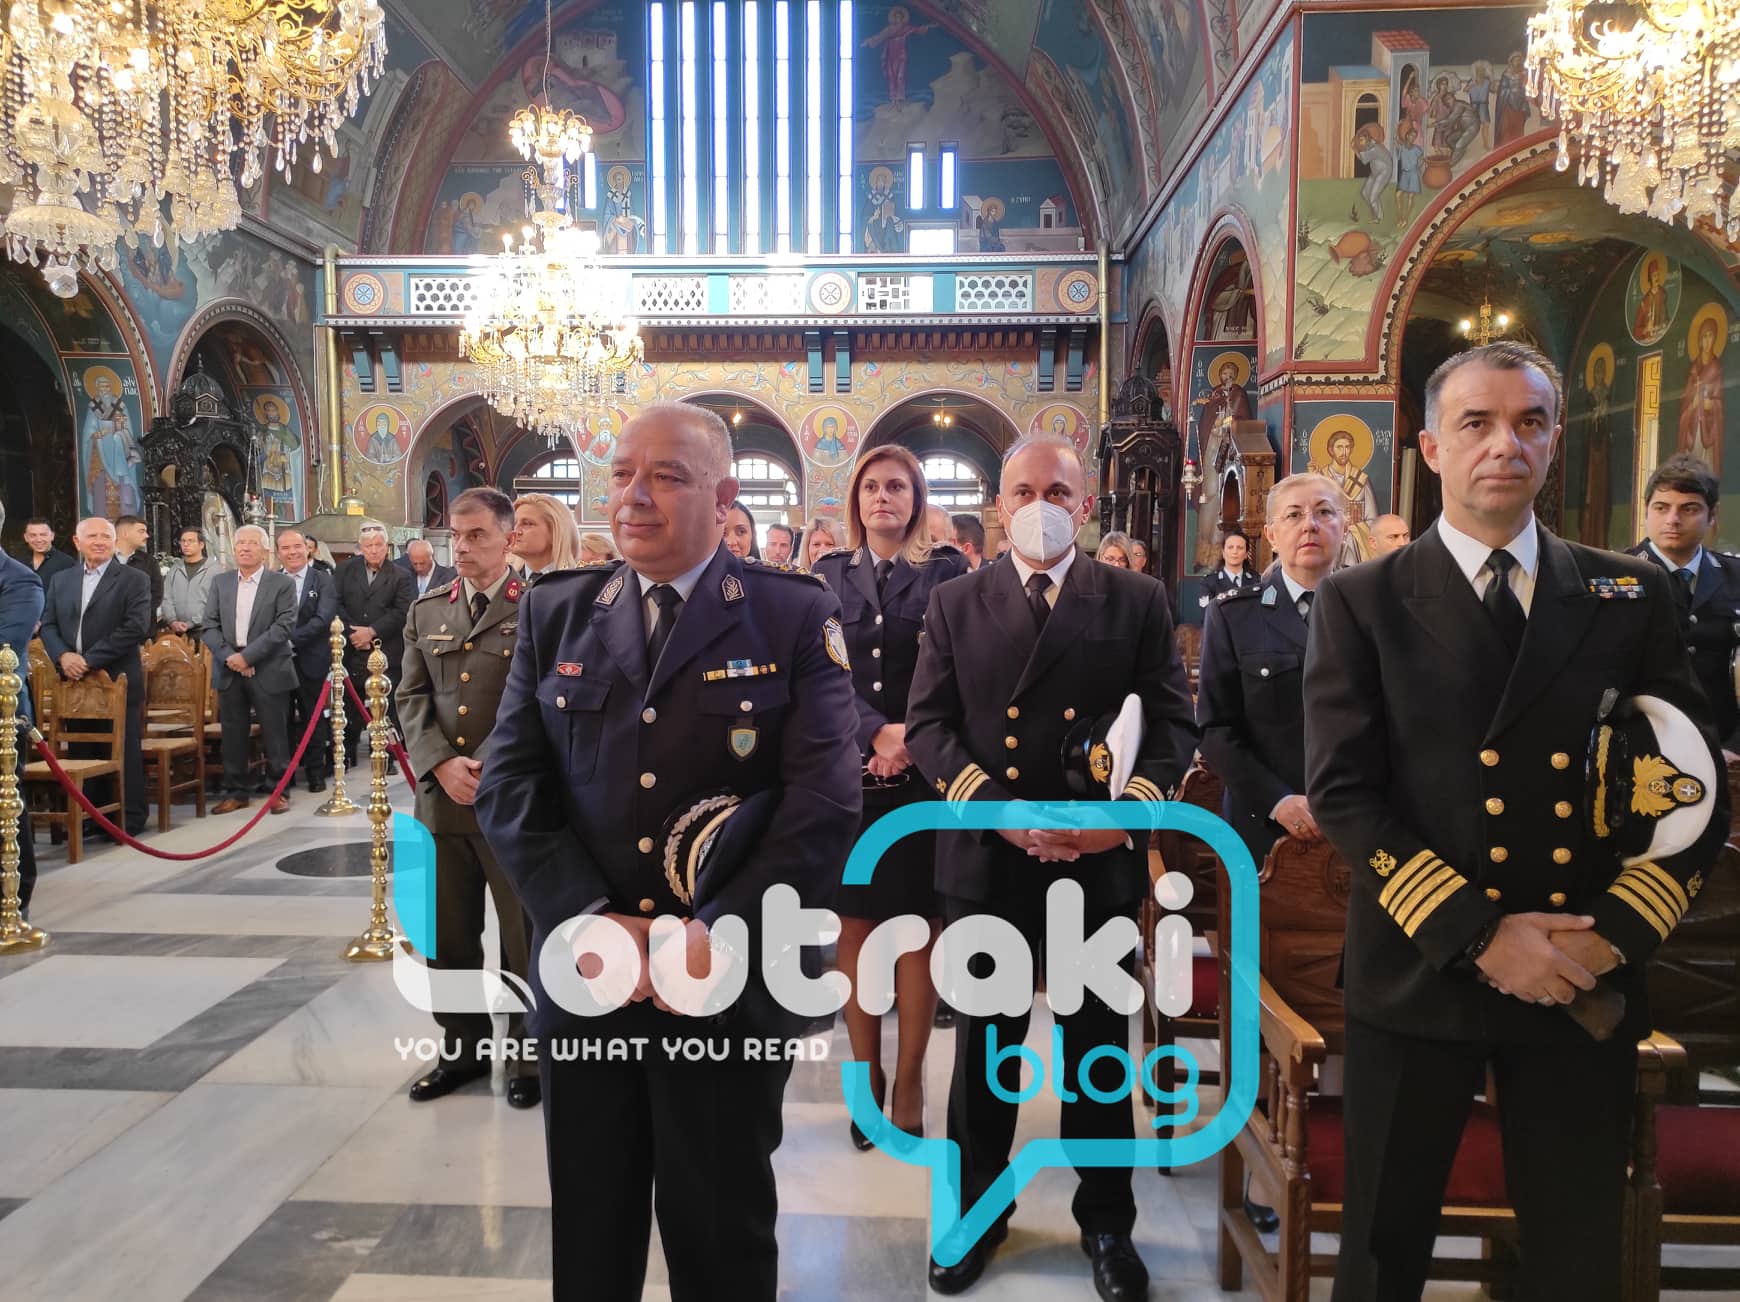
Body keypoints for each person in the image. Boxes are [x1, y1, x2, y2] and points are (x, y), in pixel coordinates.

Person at [1304, 342, 1727, 1301]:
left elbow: (1692, 788)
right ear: (1431, 449)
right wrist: (1483, 937)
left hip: (1578, 968)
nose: (1506, 444)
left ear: (1555, 440)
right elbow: (1345, 793)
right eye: (1478, 423)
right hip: (1422, 967)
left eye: (1529, 422)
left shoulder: (1628, 593)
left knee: (1576, 1251)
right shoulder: (1364, 600)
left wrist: (1611, 937)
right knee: (1382, 1250)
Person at [475, 402, 860, 1301]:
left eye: (667, 477)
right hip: (589, 975)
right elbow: (509, 784)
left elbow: (823, 800)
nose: (634, 496)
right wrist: (583, 917)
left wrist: (717, 929)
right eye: (621, 475)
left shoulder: (791, 614)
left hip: (727, 979)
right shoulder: (558, 612)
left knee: (721, 1230)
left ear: (725, 498)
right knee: (592, 1229)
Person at [905, 433, 1198, 1299]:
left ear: (1086, 503)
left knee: (1098, 1053)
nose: (1042, 506)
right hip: (988, 859)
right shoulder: (956, 601)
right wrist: (998, 810)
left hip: (1094, 863)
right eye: (1025, 491)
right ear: (1000, 507)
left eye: (1059, 492)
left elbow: (1173, 726)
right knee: (983, 1054)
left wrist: (1122, 821)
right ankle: (977, 1212)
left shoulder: (1136, 598)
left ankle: (1107, 1223)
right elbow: (928, 726)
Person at [813, 446, 967, 1148]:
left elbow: (958, 667)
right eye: (871, 486)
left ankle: (910, 1080)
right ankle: (865, 1076)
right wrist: (872, 731)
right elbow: (820, 674)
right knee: (854, 928)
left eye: (897, 486)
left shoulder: (946, 572)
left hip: (923, 774)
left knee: (917, 928)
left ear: (916, 498)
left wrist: (910, 737)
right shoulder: (827, 575)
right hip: (849, 774)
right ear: (856, 499)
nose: (883, 497)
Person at [396, 487, 538, 1109]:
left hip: (512, 802)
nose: (463, 546)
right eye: (456, 534)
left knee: (521, 939)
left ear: (510, 537)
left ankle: (529, 1054)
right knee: (447, 936)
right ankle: (463, 1049)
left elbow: (541, 703)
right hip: (443, 801)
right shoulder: (427, 610)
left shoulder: (537, 606)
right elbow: (410, 696)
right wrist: (440, 762)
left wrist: (488, 767)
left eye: (477, 534)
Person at [38, 517, 152, 836]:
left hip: (116, 677)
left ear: (115, 542)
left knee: (123, 751)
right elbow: (48, 624)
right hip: (73, 682)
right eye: (92, 536)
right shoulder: (61, 580)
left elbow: (135, 626)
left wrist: (88, 660)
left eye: (106, 536)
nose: (99, 541)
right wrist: (63, 656)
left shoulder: (134, 579)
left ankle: (128, 817)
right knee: (83, 749)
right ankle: (91, 816)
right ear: (77, 542)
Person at [1627, 455, 1740, 757]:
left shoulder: (1735, 577)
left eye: (1689, 509)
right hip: (1639, 753)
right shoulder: (1615, 576)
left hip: (1724, 749)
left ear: (1713, 515)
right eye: (1661, 508)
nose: (1673, 520)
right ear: (1647, 511)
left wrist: (1735, 748)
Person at [203, 525, 296, 815]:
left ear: (265, 551)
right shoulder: (221, 582)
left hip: (269, 667)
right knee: (233, 733)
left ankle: (278, 791)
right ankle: (236, 791)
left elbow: (283, 626)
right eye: (240, 543)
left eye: (252, 543)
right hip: (229, 668)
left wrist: (249, 657)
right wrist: (231, 657)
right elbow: (209, 625)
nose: (244, 548)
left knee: (275, 733)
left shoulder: (281, 583)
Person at [334, 523, 415, 767]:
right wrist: (354, 633)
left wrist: (371, 632)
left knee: (387, 708)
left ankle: (387, 756)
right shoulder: (345, 570)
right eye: (368, 545)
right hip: (352, 647)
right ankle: (347, 754)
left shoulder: (401, 575)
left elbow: (403, 611)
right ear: (360, 548)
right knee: (350, 704)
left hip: (385, 648)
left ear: (386, 547)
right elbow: (335, 603)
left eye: (378, 545)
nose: (373, 550)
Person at [0, 500, 44, 915]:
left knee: (6, 809)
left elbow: (6, 648)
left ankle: (13, 902)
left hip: (4, 715)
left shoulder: (19, 580)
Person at [277, 530, 338, 794]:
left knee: (313, 718)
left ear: (307, 549)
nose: (292, 552)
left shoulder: (322, 579)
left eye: (297, 546)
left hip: (311, 658)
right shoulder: (273, 579)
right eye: (285, 548)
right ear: (278, 553)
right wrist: (277, 642)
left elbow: (323, 618)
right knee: (281, 720)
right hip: (277, 661)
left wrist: (290, 640)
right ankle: (284, 776)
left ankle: (315, 773)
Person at [160, 527, 222, 639]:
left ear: (201, 545)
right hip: (177, 631)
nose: (186, 544)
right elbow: (166, 597)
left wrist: (192, 622)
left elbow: (215, 603)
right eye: (183, 541)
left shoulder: (215, 570)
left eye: (191, 541)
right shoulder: (175, 568)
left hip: (205, 631)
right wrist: (172, 621)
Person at [510, 492, 582, 579]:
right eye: (513, 523)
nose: (515, 531)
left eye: (527, 523)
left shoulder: (580, 583)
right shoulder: (506, 583)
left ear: (555, 532)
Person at [113, 515, 162, 631]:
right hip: (108, 630)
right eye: (141, 531)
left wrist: (138, 617)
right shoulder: (103, 559)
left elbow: (156, 595)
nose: (147, 535)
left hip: (141, 630)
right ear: (125, 533)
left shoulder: (149, 562)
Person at [1199, 527, 1261, 606]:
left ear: (1246, 554)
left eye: (1240, 548)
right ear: (1223, 552)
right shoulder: (1209, 582)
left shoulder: (1256, 580)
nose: (1235, 551)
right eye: (1230, 547)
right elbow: (1207, 612)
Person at [21, 518, 74, 586]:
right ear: (26, 537)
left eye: (43, 535)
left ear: (52, 536)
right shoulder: (18, 561)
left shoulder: (66, 562)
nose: (38, 540)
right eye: (33, 535)